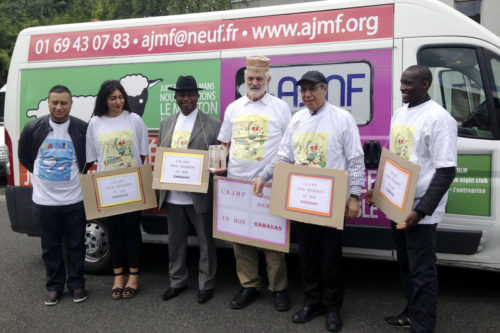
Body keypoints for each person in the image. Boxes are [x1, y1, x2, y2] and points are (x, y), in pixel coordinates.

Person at [253, 70, 365, 332]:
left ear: (325, 89)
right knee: (307, 257)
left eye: (312, 89)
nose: (307, 95)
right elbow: (284, 156)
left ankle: (333, 308)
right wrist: (263, 176)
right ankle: (312, 302)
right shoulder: (297, 120)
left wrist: (355, 195)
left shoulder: (342, 119)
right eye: (303, 90)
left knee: (331, 260)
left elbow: (355, 159)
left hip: (330, 203)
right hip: (302, 201)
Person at [364, 65, 457, 333]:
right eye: (402, 82)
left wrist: (422, 211)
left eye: (410, 83)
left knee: (423, 272)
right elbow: (395, 161)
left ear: (426, 84)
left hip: (419, 212)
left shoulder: (439, 119)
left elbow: (445, 171)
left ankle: (423, 325)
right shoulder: (400, 114)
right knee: (405, 265)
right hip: (398, 206)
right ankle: (411, 313)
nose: (403, 87)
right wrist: (378, 189)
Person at [217, 56, 292, 311]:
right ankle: (249, 285)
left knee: (273, 242)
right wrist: (216, 164)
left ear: (268, 80)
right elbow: (225, 144)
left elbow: (288, 147)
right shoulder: (233, 108)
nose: (255, 82)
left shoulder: (281, 108)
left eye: (260, 78)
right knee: (242, 239)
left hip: (270, 185)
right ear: (244, 81)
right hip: (238, 183)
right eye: (250, 78)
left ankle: (279, 288)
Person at [18, 85, 88, 306]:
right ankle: (54, 287)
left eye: (63, 103)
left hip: (74, 200)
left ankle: (77, 284)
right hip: (44, 201)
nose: (59, 107)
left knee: (76, 246)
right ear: (48, 102)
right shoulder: (33, 128)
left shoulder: (81, 128)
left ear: (70, 104)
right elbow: (25, 158)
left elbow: (88, 161)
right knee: (50, 247)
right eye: (55, 102)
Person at [157, 75, 221, 304]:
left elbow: (218, 160)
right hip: (173, 195)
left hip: (199, 195)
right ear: (175, 97)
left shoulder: (212, 124)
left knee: (205, 241)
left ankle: (206, 283)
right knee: (175, 241)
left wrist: (214, 168)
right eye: (182, 94)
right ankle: (177, 280)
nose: (186, 98)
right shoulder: (166, 123)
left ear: (198, 96)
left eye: (190, 94)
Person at [86, 80, 149, 299]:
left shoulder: (134, 120)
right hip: (109, 188)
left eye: (121, 97)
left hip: (131, 186)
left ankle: (133, 275)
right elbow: (94, 158)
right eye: (113, 98)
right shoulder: (95, 122)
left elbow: (141, 154)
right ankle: (118, 276)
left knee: (132, 231)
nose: (118, 101)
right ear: (104, 99)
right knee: (114, 233)